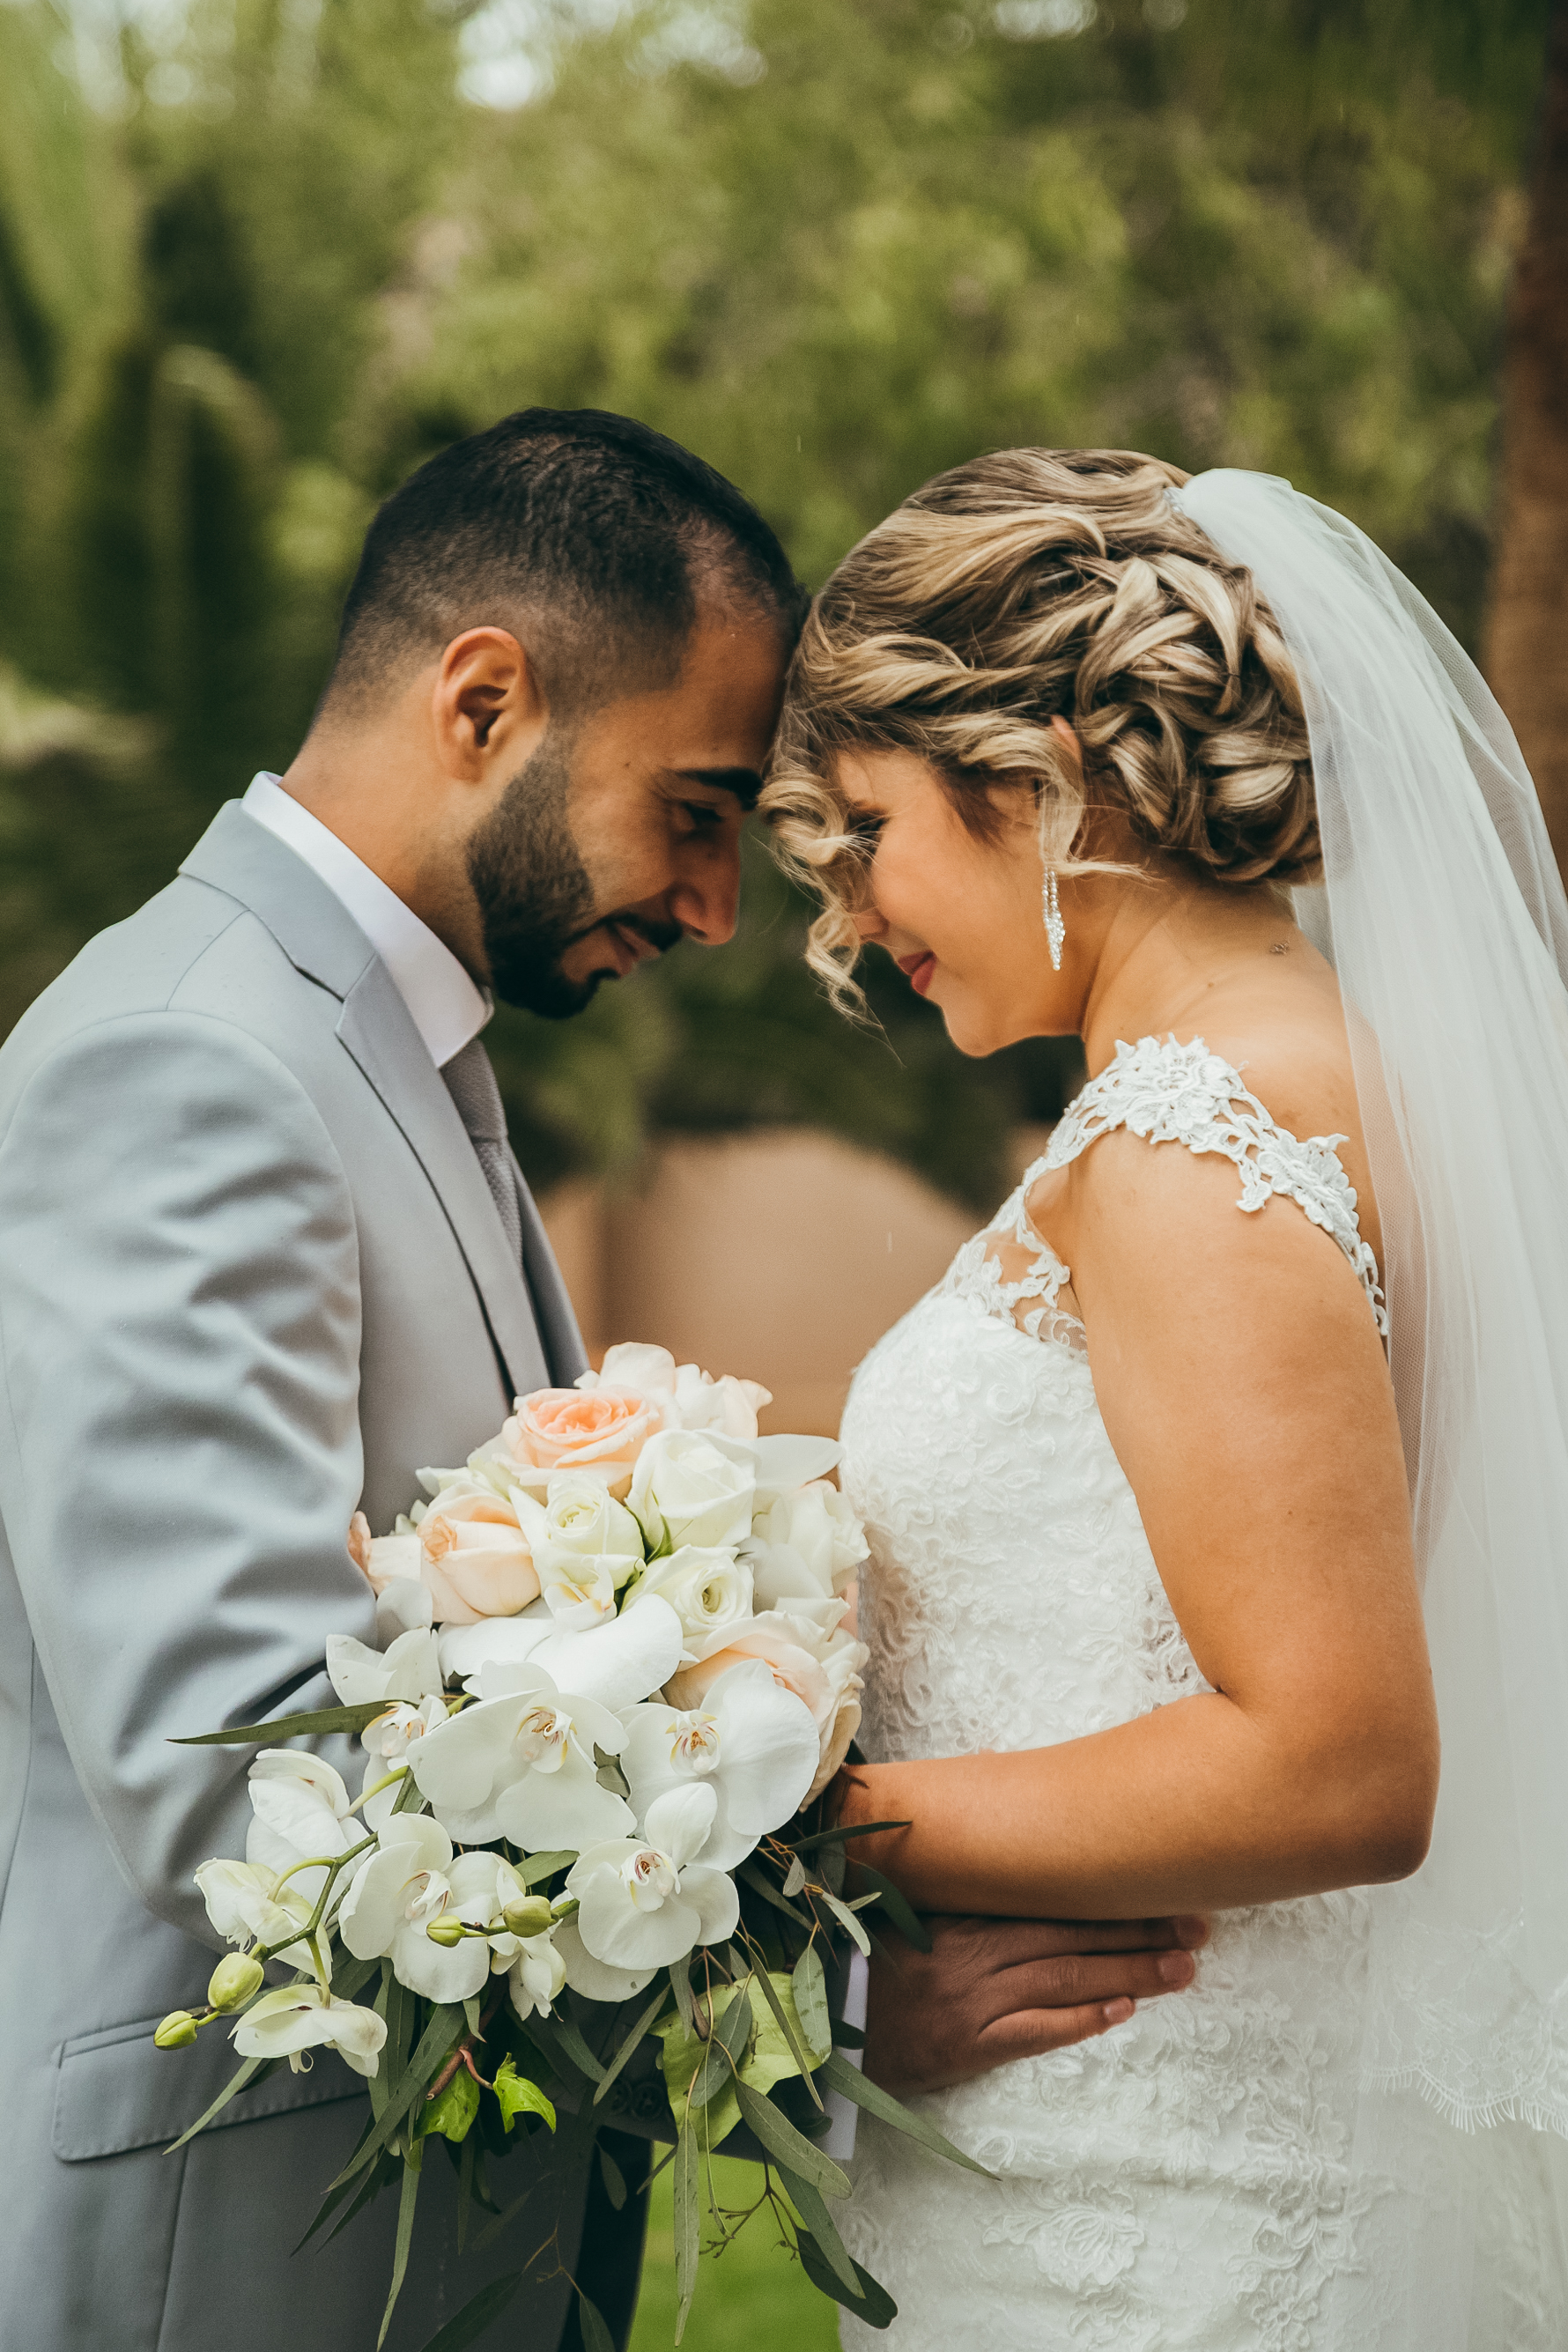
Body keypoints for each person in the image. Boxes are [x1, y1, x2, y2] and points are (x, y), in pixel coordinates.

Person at [0, 409, 1201, 2352]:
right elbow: (249, 1785)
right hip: (236, 2269)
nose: (721, 907)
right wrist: (802, 1997)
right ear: (486, 699)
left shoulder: (387, 1048)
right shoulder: (192, 1066)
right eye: (701, 806)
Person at [764, 447, 1568, 2348]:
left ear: (1031, 775)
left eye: (865, 825)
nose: (852, 908)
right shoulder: (1300, 1076)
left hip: (1148, 2210)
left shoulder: (1186, 1148)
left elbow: (1335, 1761)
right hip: (1165, 2144)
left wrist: (787, 1819)